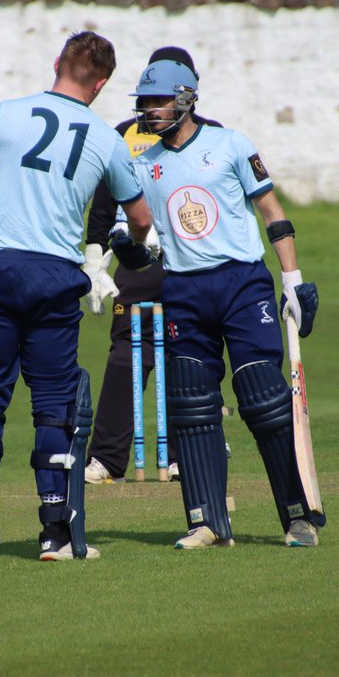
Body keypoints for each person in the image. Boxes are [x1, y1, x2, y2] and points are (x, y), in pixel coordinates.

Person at [0, 31, 156, 565]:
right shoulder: (108, 139)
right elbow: (141, 220)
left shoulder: (5, 113)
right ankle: (54, 533)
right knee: (54, 407)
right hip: (54, 278)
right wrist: (129, 248)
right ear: (102, 83)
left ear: (57, 62)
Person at [115, 55, 323, 549]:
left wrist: (292, 280)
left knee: (265, 400)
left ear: (186, 99)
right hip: (184, 291)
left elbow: (272, 211)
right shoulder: (142, 164)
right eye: (144, 103)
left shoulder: (231, 144)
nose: (150, 110)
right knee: (190, 406)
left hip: (242, 285)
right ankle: (206, 521)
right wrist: (124, 243)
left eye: (158, 101)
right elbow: (133, 229)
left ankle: (296, 517)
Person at [81, 46, 224, 485]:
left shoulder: (213, 137)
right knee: (127, 351)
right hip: (137, 262)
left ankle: (188, 450)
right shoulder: (122, 135)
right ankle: (106, 458)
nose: (150, 107)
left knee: (191, 351)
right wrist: (94, 262)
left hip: (192, 262)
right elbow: (104, 206)